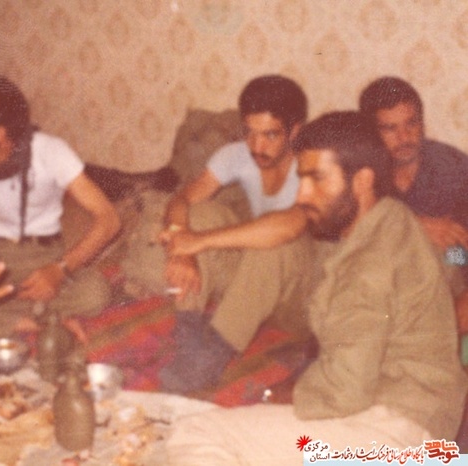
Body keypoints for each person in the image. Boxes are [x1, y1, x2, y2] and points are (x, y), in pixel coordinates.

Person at [166, 111, 468, 465]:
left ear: (362, 181)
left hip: (391, 432)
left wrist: (279, 395)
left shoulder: (374, 255)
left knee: (194, 432)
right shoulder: (390, 218)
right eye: (302, 179)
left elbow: (345, 390)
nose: (303, 194)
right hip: (415, 420)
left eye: (317, 179)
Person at [158, 75, 309, 392]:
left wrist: (198, 242)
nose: (257, 146)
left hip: (301, 297)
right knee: (200, 213)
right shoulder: (237, 154)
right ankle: (189, 341)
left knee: (274, 243)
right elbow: (181, 200)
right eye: (250, 133)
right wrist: (183, 252)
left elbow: (290, 226)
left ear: (295, 130)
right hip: (255, 288)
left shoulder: (312, 165)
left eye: (270, 135)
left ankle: (213, 353)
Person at [0, 75, 120, 341]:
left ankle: (1, 319)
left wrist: (59, 270)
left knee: (95, 292)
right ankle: (38, 321)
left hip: (43, 256)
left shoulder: (50, 151)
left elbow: (109, 219)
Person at [359, 77, 468, 285]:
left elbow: (462, 256)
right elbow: (348, 231)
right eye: (390, 128)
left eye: (411, 123)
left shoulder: (454, 168)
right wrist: (414, 226)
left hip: (445, 278)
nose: (404, 137)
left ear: (422, 122)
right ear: (372, 133)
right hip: (382, 276)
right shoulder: (362, 172)